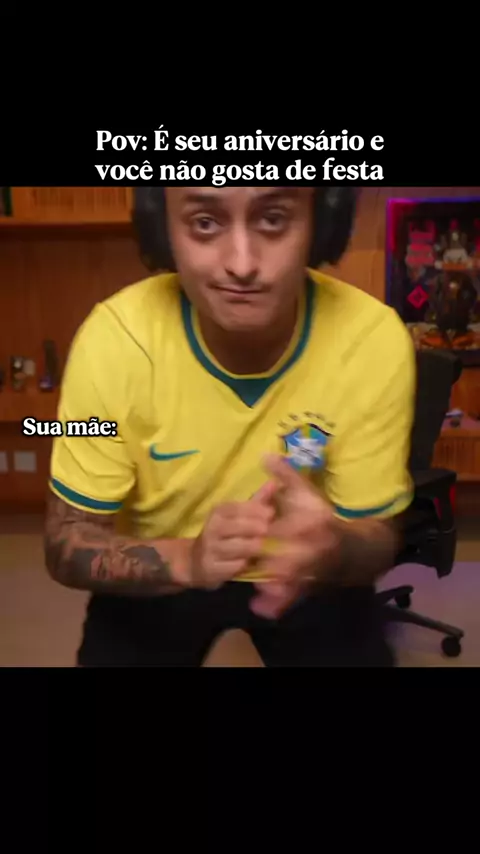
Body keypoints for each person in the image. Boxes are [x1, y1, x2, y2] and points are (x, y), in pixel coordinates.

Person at [44, 186, 416, 667]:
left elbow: (379, 540)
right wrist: (189, 559)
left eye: (273, 219)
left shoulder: (372, 340)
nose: (241, 264)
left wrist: (338, 548)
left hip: (309, 573)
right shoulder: (112, 342)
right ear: (163, 228)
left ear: (320, 223)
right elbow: (65, 541)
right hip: (164, 563)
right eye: (204, 223)